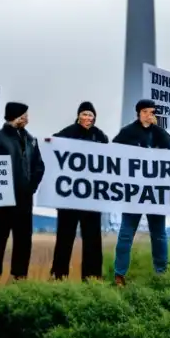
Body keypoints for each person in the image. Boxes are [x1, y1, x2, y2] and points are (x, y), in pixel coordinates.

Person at [0, 101, 46, 287]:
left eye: (27, 115)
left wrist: (31, 187)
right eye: (23, 115)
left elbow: (39, 166)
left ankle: (19, 279)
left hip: (25, 200)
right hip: (3, 200)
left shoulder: (30, 139)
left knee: (24, 241)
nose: (27, 118)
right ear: (13, 116)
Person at [112, 98, 170, 286]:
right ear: (139, 113)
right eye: (146, 111)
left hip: (156, 192)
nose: (149, 115)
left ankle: (161, 273)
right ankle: (119, 274)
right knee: (126, 233)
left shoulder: (161, 134)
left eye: (152, 112)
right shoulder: (127, 133)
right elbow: (111, 153)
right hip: (133, 191)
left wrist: (159, 130)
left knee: (159, 234)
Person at [50, 101, 109, 281]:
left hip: (91, 196)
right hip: (69, 196)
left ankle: (92, 278)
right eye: (84, 114)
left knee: (92, 239)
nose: (87, 118)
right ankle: (59, 276)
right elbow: (53, 146)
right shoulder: (67, 133)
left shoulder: (100, 136)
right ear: (78, 116)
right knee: (64, 237)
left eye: (90, 115)